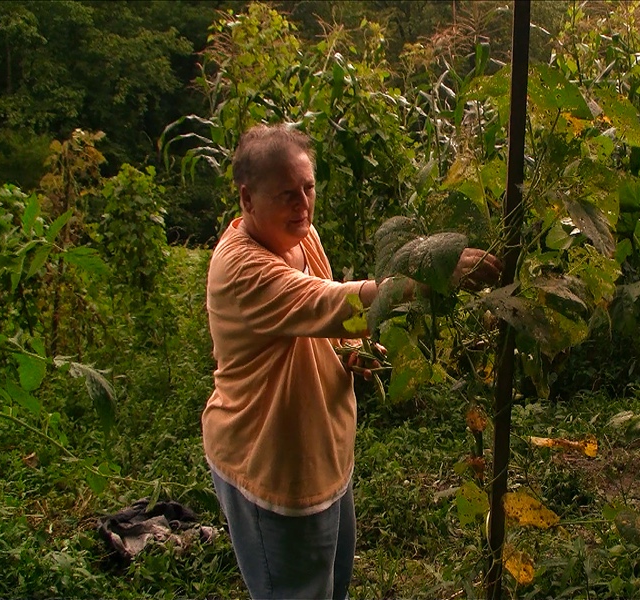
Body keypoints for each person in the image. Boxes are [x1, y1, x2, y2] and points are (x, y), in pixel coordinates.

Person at [202, 123, 502, 600]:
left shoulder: (299, 236)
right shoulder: (242, 269)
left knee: (332, 587)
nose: (303, 205)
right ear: (246, 199)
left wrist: (349, 353)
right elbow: (334, 305)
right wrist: (433, 275)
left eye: (308, 188)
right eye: (286, 194)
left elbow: (318, 320)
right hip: (274, 467)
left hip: (322, 457)